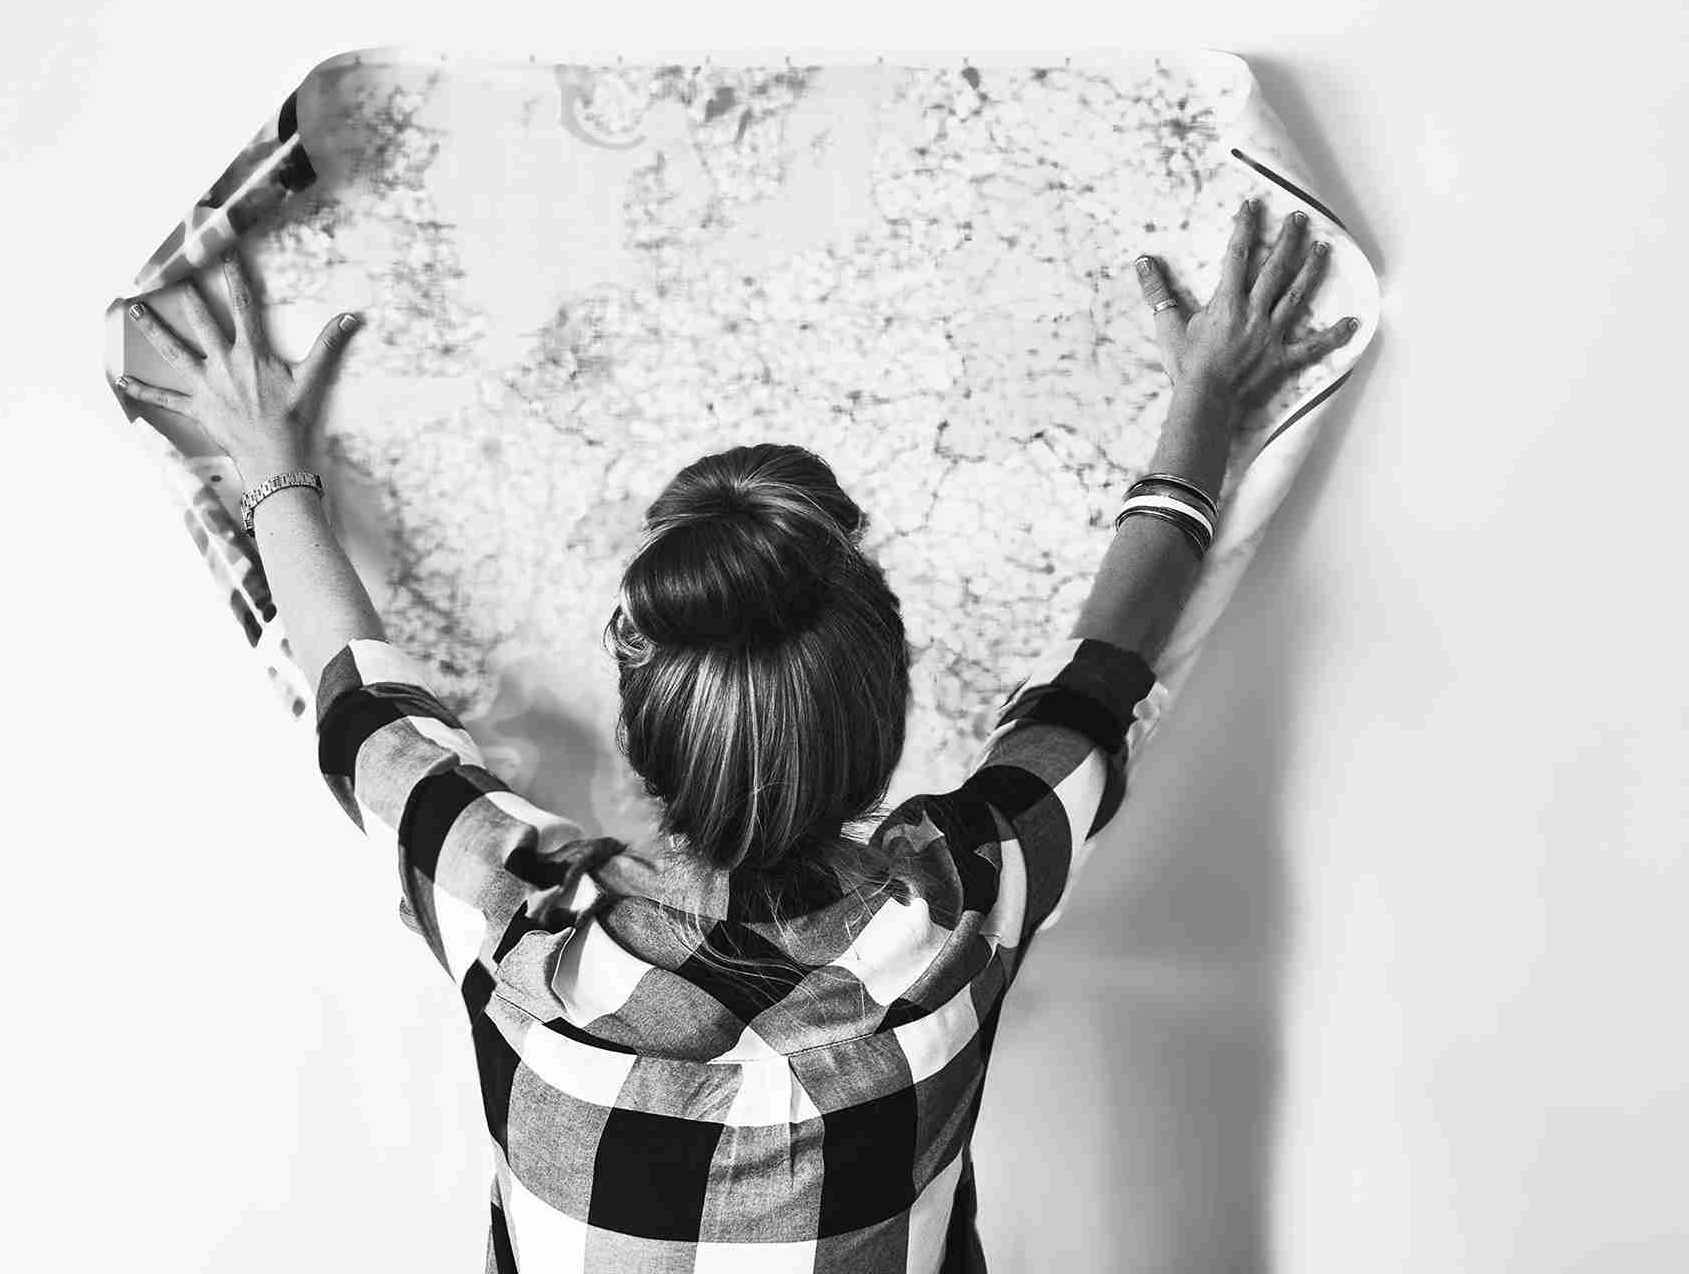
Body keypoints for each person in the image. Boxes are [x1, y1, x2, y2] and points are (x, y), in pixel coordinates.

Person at [117, 196, 1356, 1272]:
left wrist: (272, 468)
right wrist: (1208, 400)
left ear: (642, 716)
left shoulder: (516, 924)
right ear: (884, 708)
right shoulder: (961, 909)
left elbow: (357, 709)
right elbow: (1100, 678)